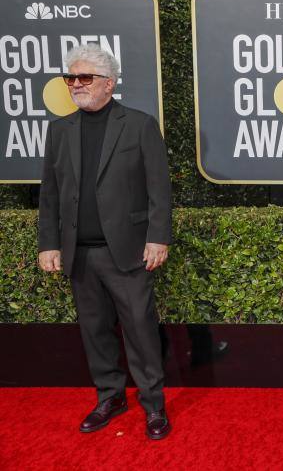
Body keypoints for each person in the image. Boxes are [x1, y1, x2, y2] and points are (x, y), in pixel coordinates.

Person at [38, 43, 173, 440]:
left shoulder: (139, 125)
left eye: (84, 77)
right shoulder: (59, 130)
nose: (75, 84)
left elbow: (159, 189)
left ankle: (154, 406)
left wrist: (158, 237)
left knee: (140, 330)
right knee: (94, 330)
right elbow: (49, 193)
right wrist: (49, 243)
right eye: (70, 78)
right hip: (79, 253)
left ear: (109, 83)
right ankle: (110, 397)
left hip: (128, 251)